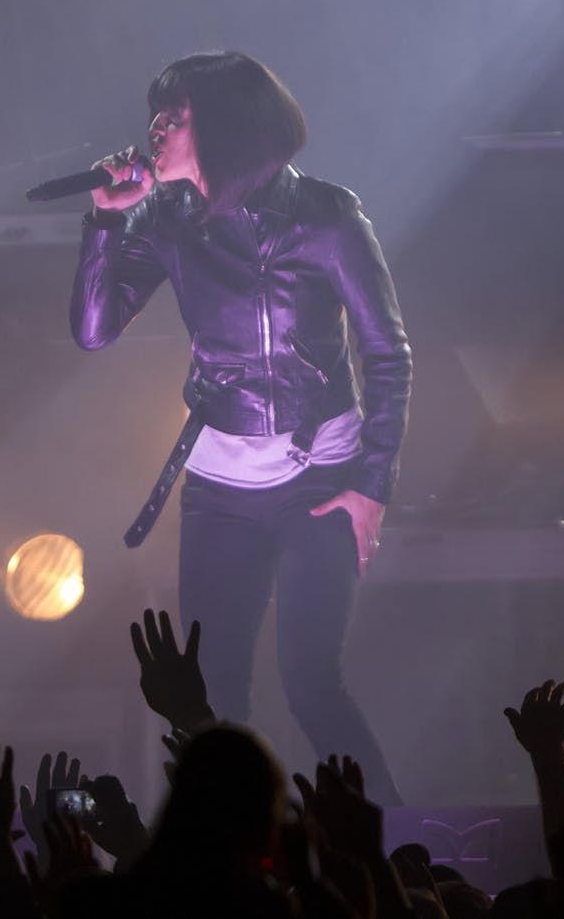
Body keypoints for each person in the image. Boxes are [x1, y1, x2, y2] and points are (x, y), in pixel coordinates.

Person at [70, 52, 412, 804]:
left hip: (321, 477)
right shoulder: (164, 217)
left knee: (312, 683)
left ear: (224, 124)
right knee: (213, 696)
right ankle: (240, 864)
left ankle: (398, 857)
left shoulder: (325, 215)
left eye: (176, 114)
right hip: (221, 486)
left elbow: (389, 352)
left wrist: (370, 485)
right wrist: (104, 218)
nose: (155, 128)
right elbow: (94, 330)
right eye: (155, 113)